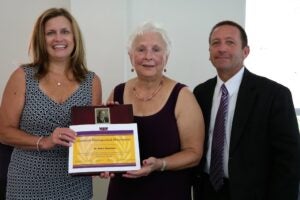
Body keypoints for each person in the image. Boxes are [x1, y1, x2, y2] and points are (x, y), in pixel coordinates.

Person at [0, 8, 102, 200]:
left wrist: (106, 162)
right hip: (27, 183)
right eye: (50, 33)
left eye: (65, 31)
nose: (58, 38)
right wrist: (44, 141)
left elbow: (93, 137)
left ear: (74, 37)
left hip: (75, 186)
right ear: (41, 39)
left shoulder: (92, 81)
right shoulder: (22, 76)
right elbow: (4, 131)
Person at [193, 20, 300, 200]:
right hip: (207, 190)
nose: (222, 48)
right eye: (215, 43)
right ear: (209, 53)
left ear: (245, 51)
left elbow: (290, 160)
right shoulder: (200, 93)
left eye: (230, 42)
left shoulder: (274, 94)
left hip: (254, 193)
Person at [103, 22, 205, 200]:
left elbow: (194, 154)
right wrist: (102, 163)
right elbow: (106, 145)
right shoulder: (117, 92)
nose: (148, 56)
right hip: (122, 192)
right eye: (141, 49)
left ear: (167, 57)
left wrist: (160, 164)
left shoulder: (182, 96)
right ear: (131, 56)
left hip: (168, 192)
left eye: (156, 49)